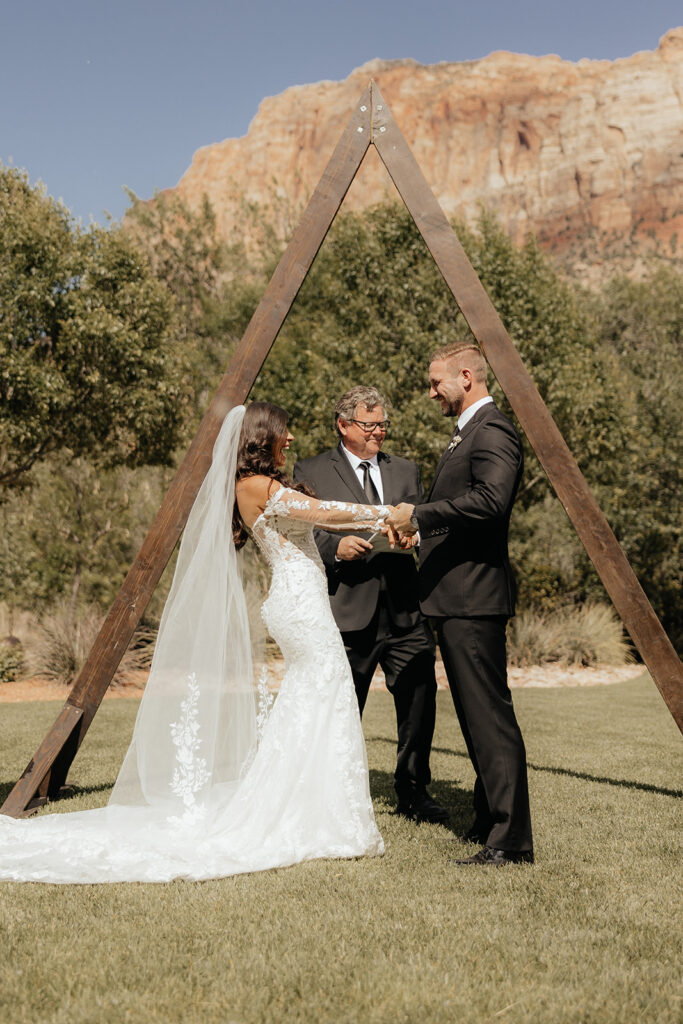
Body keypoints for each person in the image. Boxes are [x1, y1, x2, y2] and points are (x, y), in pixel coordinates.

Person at [0, 402, 392, 884]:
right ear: (261, 436)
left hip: (299, 602)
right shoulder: (256, 486)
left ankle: (315, 806)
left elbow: (320, 516)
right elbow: (324, 512)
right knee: (325, 691)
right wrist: (389, 513)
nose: (289, 439)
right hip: (300, 606)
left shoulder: (262, 485)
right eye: (282, 432)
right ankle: (320, 815)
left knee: (314, 698)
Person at [385, 343, 534, 866]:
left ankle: (510, 842)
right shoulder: (466, 433)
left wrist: (421, 516)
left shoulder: (492, 430)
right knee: (475, 720)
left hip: (474, 600)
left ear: (465, 376)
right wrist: (421, 535)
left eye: (436, 383)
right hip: (455, 600)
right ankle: (489, 821)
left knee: (489, 719)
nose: (431, 393)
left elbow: (493, 502)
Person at [294, 386, 447, 824]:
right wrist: (334, 548)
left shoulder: (407, 470)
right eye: (369, 425)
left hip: (405, 609)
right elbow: (302, 530)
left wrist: (412, 536)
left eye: (382, 424)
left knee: (419, 703)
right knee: (342, 708)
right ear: (343, 425)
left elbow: (420, 523)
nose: (379, 432)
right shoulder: (311, 470)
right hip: (347, 608)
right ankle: (333, 797)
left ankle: (414, 793)